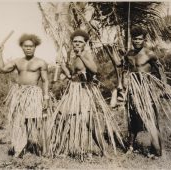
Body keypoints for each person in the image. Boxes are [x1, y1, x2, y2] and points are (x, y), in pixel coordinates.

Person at [48, 30, 123, 159]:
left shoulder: (86, 54)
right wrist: (62, 66)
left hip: (83, 91)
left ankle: (103, 149)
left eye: (79, 42)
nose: (76, 44)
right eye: (75, 41)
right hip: (73, 90)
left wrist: (81, 55)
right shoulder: (74, 57)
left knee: (89, 122)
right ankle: (65, 149)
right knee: (67, 118)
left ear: (85, 43)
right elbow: (71, 76)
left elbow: (94, 70)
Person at [123, 26, 171, 157]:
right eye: (134, 39)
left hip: (146, 90)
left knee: (151, 119)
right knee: (132, 118)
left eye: (139, 39)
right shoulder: (129, 54)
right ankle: (131, 146)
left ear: (144, 40)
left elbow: (160, 69)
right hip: (133, 90)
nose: (137, 41)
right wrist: (124, 82)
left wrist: (164, 86)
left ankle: (157, 150)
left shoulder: (149, 53)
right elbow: (125, 69)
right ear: (132, 40)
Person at [0, 33, 50, 157]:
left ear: (35, 47)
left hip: (33, 95)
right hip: (19, 94)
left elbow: (45, 80)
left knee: (34, 122)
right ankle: (19, 150)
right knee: (18, 122)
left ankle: (40, 149)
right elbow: (1, 69)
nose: (28, 48)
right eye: (26, 46)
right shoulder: (17, 61)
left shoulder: (41, 62)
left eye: (31, 46)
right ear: (22, 47)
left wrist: (46, 97)